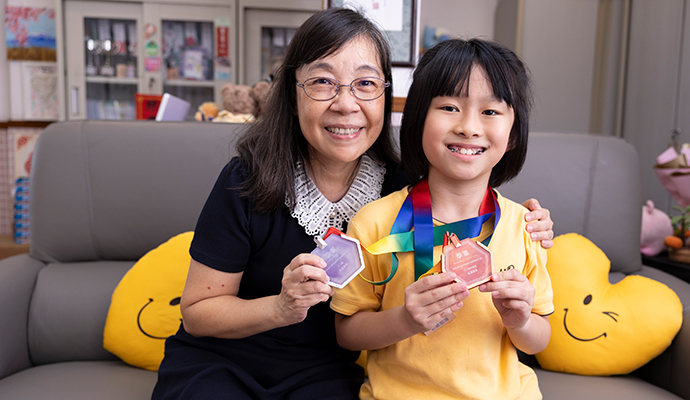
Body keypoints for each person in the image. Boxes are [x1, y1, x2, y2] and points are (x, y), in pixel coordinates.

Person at [152, 9, 554, 400]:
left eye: (365, 84)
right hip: (223, 362)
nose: (346, 104)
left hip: (323, 374)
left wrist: (528, 223)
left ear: (386, 96)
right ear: (293, 94)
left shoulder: (403, 191)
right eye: (323, 82)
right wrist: (280, 308)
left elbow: (468, 196)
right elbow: (198, 312)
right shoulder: (246, 180)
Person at [331, 38, 553, 400]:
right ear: (418, 119)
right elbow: (347, 332)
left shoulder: (526, 226)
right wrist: (405, 319)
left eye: (491, 111)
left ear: (513, 134)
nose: (468, 127)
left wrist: (521, 321)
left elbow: (539, 340)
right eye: (449, 107)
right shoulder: (372, 223)